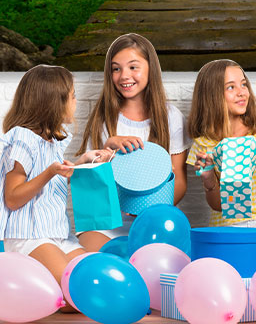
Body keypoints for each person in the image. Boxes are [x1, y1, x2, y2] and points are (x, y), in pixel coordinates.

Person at [0, 64, 114, 304]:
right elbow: (13, 198)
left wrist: (82, 161)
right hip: (30, 236)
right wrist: (50, 172)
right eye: (72, 96)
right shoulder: (23, 140)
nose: (75, 102)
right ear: (53, 102)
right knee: (78, 294)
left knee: (96, 281)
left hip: (58, 235)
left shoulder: (51, 141)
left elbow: (54, 178)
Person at [77, 33, 190, 251]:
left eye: (133, 67)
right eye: (116, 68)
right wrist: (106, 152)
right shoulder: (104, 118)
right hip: (106, 221)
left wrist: (148, 210)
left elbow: (180, 182)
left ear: (150, 69)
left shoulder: (171, 117)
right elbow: (90, 186)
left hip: (154, 219)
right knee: (92, 259)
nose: (123, 76)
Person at [187, 58, 256, 250]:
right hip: (229, 226)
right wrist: (208, 181)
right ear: (212, 96)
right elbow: (218, 206)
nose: (241, 92)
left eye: (243, 84)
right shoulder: (205, 144)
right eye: (231, 87)